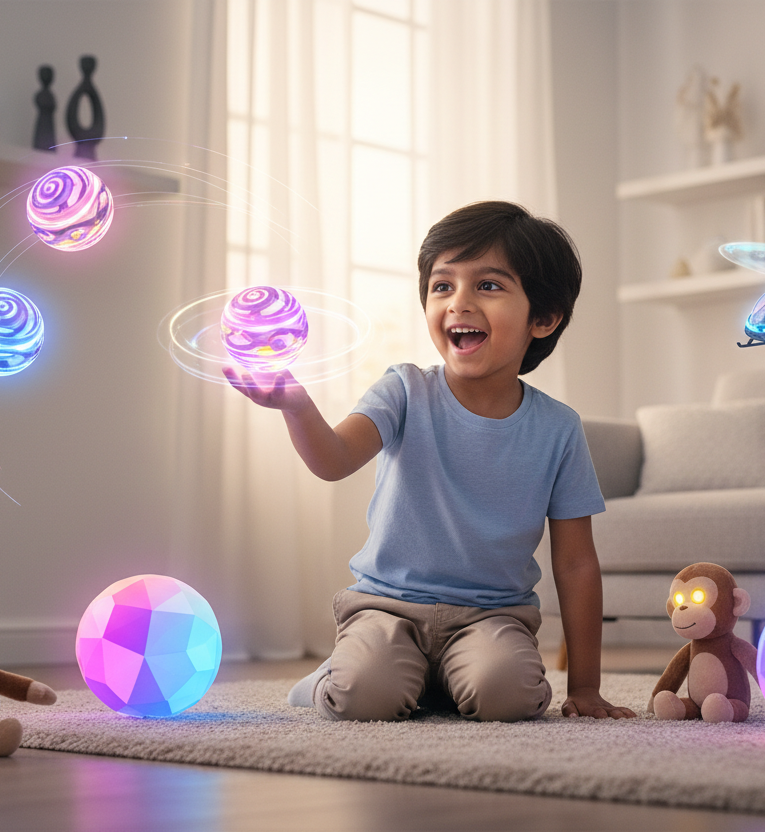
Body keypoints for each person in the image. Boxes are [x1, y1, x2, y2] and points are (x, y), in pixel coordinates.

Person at [225, 201, 636, 723]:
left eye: (488, 285)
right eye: (443, 285)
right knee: (361, 697)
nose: (458, 302)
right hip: (386, 608)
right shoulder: (403, 390)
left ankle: (433, 680)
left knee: (510, 697)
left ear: (543, 318)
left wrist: (586, 687)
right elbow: (333, 460)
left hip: (492, 617)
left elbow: (576, 564)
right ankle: (342, 673)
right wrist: (296, 405)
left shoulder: (559, 429)